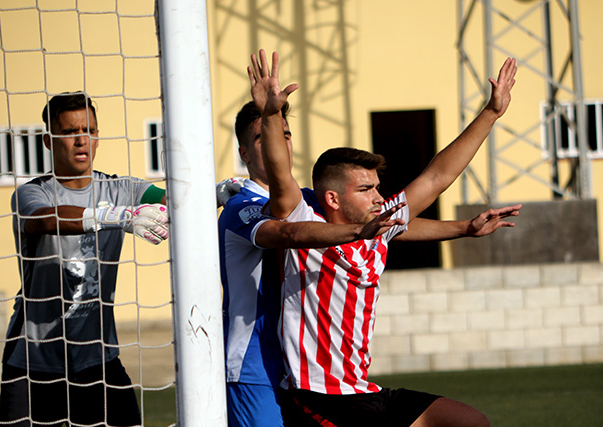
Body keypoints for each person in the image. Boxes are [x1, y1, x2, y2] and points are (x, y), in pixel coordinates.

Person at [220, 50, 519, 426]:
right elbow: (285, 197)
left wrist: (491, 113)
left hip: (362, 390)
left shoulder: (377, 226)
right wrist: (270, 114)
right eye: (366, 189)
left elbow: (437, 177)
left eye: (378, 188)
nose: (380, 197)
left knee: (471, 421)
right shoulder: (303, 217)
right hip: (317, 397)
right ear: (333, 198)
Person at [0, 92, 169, 427]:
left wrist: (219, 193)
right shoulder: (32, 193)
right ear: (48, 141)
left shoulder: (121, 188)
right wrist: (114, 216)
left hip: (97, 361)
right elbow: (46, 220)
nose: (81, 140)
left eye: (89, 130)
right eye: (70, 132)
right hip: (34, 363)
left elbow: (172, 201)